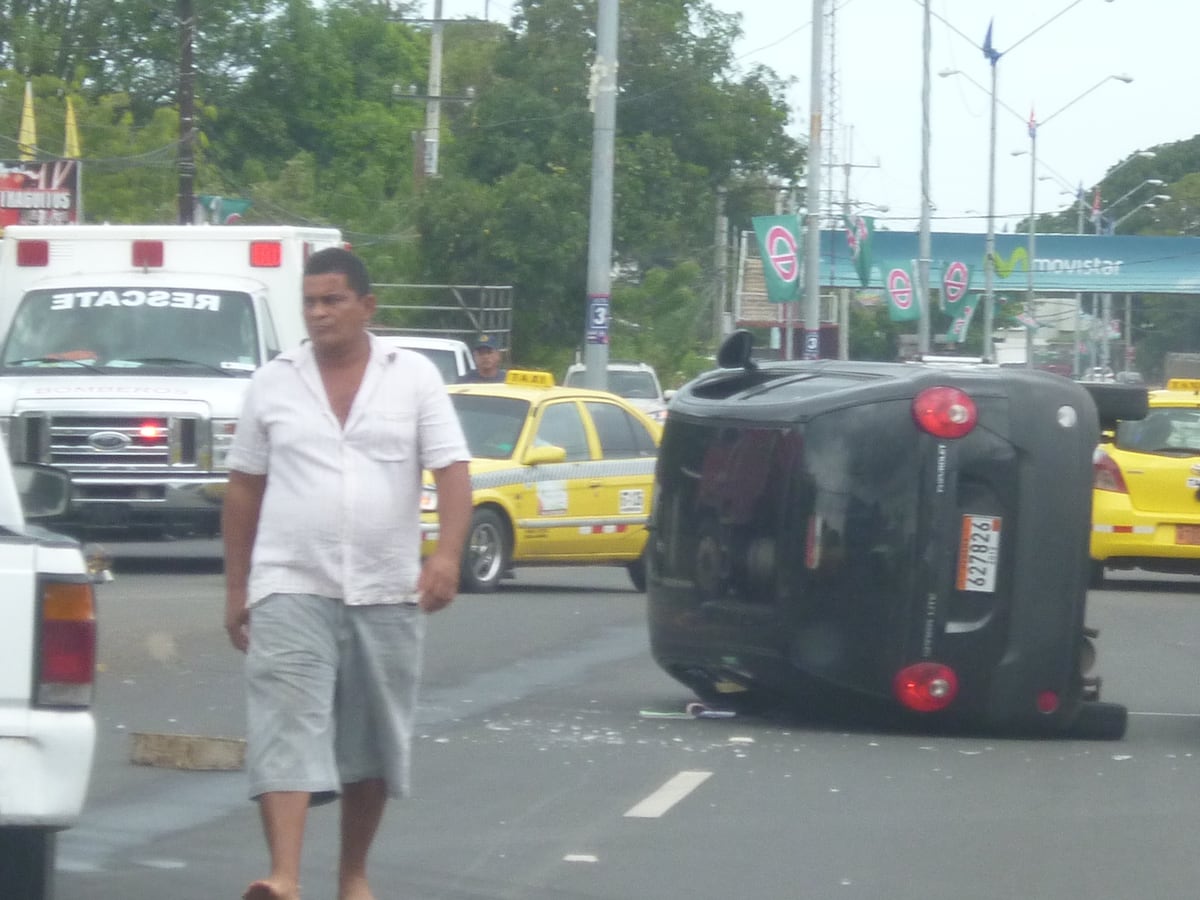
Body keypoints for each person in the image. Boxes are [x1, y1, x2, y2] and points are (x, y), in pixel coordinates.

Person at [222, 246, 472, 900]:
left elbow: (452, 470)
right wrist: (236, 588)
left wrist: (445, 555)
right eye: (309, 301)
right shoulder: (273, 381)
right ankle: (283, 877)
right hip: (288, 584)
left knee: (371, 743)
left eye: (333, 299)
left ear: (367, 306)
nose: (319, 312)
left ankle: (352, 875)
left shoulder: (413, 377)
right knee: (285, 723)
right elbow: (245, 487)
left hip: (387, 589)